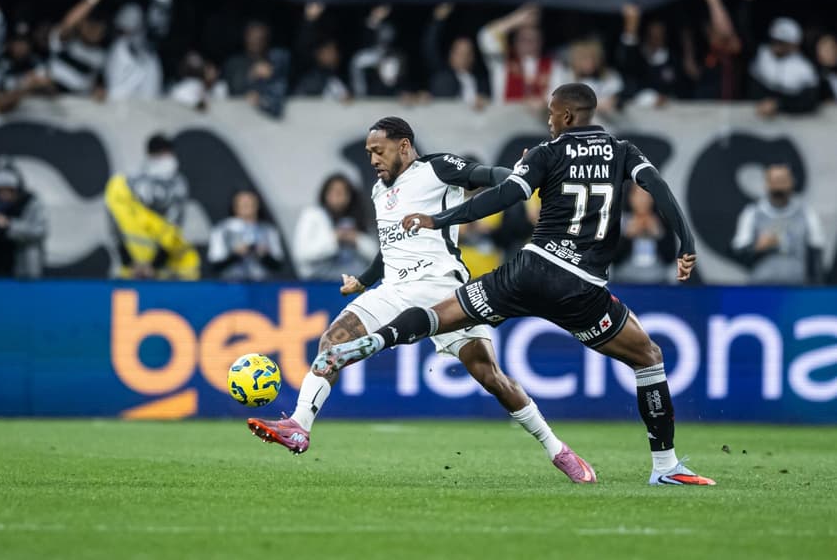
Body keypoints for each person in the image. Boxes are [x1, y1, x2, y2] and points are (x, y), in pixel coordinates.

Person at [320, 85, 716, 486]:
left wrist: (437, 219)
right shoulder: (623, 150)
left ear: (565, 116)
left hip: (530, 270)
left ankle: (378, 340)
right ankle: (665, 467)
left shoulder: (547, 152)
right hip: (582, 287)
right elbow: (659, 190)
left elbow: (502, 197)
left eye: (550, 114)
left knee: (444, 314)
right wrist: (686, 242)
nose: (547, 121)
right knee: (648, 357)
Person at [247, 117, 598, 484]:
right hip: (394, 288)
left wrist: (523, 172)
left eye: (378, 151)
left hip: (441, 288)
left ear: (403, 146)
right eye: (369, 153)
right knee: (332, 341)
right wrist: (364, 281)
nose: (373, 160)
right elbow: (389, 247)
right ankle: (299, 425)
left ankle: (557, 449)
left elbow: (491, 175)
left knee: (489, 375)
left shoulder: (438, 168)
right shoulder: (379, 191)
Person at [105, 133, 199, 280]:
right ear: (150, 155)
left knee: (161, 302)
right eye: (160, 153)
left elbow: (173, 230)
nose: (166, 158)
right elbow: (116, 223)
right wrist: (130, 263)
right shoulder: (126, 183)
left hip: (164, 269)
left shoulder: (178, 184)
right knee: (127, 302)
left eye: (167, 153)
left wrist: (154, 265)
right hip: (130, 270)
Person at [730, 164, 824, 285]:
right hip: (760, 289)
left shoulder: (806, 213)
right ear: (767, 184)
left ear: (791, 183)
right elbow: (737, 252)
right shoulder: (752, 213)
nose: (778, 187)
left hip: (797, 290)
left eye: (782, 181)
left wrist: (818, 288)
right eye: (774, 181)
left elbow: (816, 254)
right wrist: (756, 248)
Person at [292, 173, 377, 281]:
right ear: (325, 193)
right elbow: (302, 254)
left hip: (353, 282)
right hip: (319, 282)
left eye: (343, 192)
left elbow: (375, 255)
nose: (338, 196)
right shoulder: (312, 215)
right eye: (334, 191)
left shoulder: (358, 217)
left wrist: (355, 239)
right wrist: (335, 238)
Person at [477, 5, 554, 107]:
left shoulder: (554, 67)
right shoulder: (502, 62)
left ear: (541, 42)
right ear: (515, 42)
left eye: (533, 40)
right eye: (524, 39)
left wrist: (543, 104)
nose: (528, 44)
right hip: (506, 120)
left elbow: (558, 101)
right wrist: (517, 19)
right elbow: (486, 37)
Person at [0, 156, 47, 278]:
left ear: (16, 190)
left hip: (22, 271)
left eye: (8, 190)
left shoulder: (30, 203)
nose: (3, 194)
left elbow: (39, 231)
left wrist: (8, 224)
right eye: (0, 191)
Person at [105, 0, 172, 100]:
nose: (160, 15)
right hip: (127, 57)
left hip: (147, 58)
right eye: (157, 6)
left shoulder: (153, 60)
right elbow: (117, 31)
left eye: (164, 9)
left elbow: (152, 97)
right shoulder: (121, 48)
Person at [422, 3, 490, 109]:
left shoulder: (482, 82)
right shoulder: (442, 77)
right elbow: (429, 48)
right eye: (459, 53)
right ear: (451, 55)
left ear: (473, 57)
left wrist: (485, 101)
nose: (463, 57)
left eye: (467, 53)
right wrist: (437, 21)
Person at [207, 190, 285, 281]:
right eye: (243, 204)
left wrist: (264, 255)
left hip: (262, 286)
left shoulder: (268, 231)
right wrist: (236, 255)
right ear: (235, 207)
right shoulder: (222, 230)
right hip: (232, 285)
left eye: (250, 203)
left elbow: (278, 264)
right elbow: (215, 264)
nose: (247, 207)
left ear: (257, 205)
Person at [748, 17, 819, 117]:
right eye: (774, 40)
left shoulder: (804, 68)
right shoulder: (761, 54)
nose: (776, 45)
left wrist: (779, 105)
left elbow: (810, 101)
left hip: (793, 123)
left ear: (794, 44)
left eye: (781, 42)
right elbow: (752, 85)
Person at [611, 183, 677, 283]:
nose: (643, 200)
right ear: (630, 197)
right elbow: (613, 259)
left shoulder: (663, 221)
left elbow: (670, 258)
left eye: (647, 195)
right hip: (624, 281)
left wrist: (658, 235)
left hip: (658, 282)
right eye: (639, 194)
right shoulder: (619, 221)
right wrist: (627, 236)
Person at [223, 21, 289, 117]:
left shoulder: (275, 61)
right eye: (253, 38)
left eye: (260, 38)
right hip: (237, 115)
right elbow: (233, 89)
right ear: (245, 38)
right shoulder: (234, 63)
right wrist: (252, 75)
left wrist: (273, 76)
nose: (256, 41)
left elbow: (284, 88)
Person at [47, 0, 107, 97]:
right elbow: (67, 25)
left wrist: (99, 90)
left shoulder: (102, 56)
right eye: (90, 25)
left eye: (98, 26)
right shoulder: (66, 41)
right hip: (50, 99)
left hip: (78, 105)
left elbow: (99, 85)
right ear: (81, 25)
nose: (94, 30)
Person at [0, 21, 53, 114]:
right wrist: (26, 88)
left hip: (34, 122)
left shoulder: (36, 62)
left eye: (25, 41)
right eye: (17, 41)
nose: (21, 46)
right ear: (9, 43)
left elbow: (52, 93)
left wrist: (43, 85)